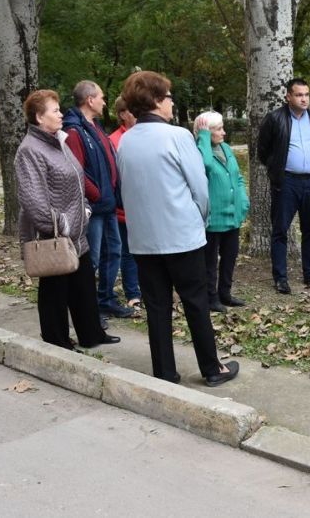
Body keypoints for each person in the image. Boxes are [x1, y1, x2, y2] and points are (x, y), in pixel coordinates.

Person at [116, 70, 238, 386]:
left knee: (157, 308)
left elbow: (126, 189)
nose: (172, 102)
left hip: (143, 239)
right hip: (181, 236)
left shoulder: (126, 140)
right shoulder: (178, 136)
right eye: (169, 96)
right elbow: (200, 188)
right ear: (157, 100)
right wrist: (200, 219)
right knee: (196, 303)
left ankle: (164, 372)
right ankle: (212, 368)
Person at [15, 90, 120, 352]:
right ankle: (57, 341)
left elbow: (77, 179)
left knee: (83, 285)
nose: (61, 113)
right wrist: (62, 225)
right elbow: (33, 201)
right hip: (54, 236)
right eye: (54, 110)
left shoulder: (57, 142)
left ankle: (91, 334)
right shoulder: (30, 150)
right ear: (39, 117)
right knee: (55, 291)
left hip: (75, 230)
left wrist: (84, 210)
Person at [63, 81, 134, 328]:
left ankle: (106, 299)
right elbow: (77, 170)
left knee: (112, 252)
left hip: (108, 205)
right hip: (95, 207)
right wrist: (96, 195)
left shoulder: (95, 127)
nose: (105, 102)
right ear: (90, 100)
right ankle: (88, 307)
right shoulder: (74, 131)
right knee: (91, 258)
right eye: (101, 97)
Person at [257, 78, 310, 295]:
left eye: (306, 94)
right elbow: (262, 150)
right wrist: (277, 168)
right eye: (298, 95)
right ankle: (281, 278)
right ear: (288, 96)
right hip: (287, 182)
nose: (304, 99)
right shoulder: (275, 119)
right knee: (280, 231)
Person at [193, 111, 250, 312]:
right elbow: (206, 166)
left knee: (230, 257)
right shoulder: (199, 151)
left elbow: (238, 177)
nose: (224, 133)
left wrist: (244, 201)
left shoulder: (226, 148)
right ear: (206, 133)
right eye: (218, 129)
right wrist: (204, 138)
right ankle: (211, 297)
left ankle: (225, 293)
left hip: (233, 216)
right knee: (210, 261)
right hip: (213, 218)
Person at [108, 96, 142, 312]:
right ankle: (133, 293)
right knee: (128, 252)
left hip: (144, 207)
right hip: (124, 208)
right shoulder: (115, 140)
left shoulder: (143, 136)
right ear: (122, 114)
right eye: (132, 111)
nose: (137, 115)